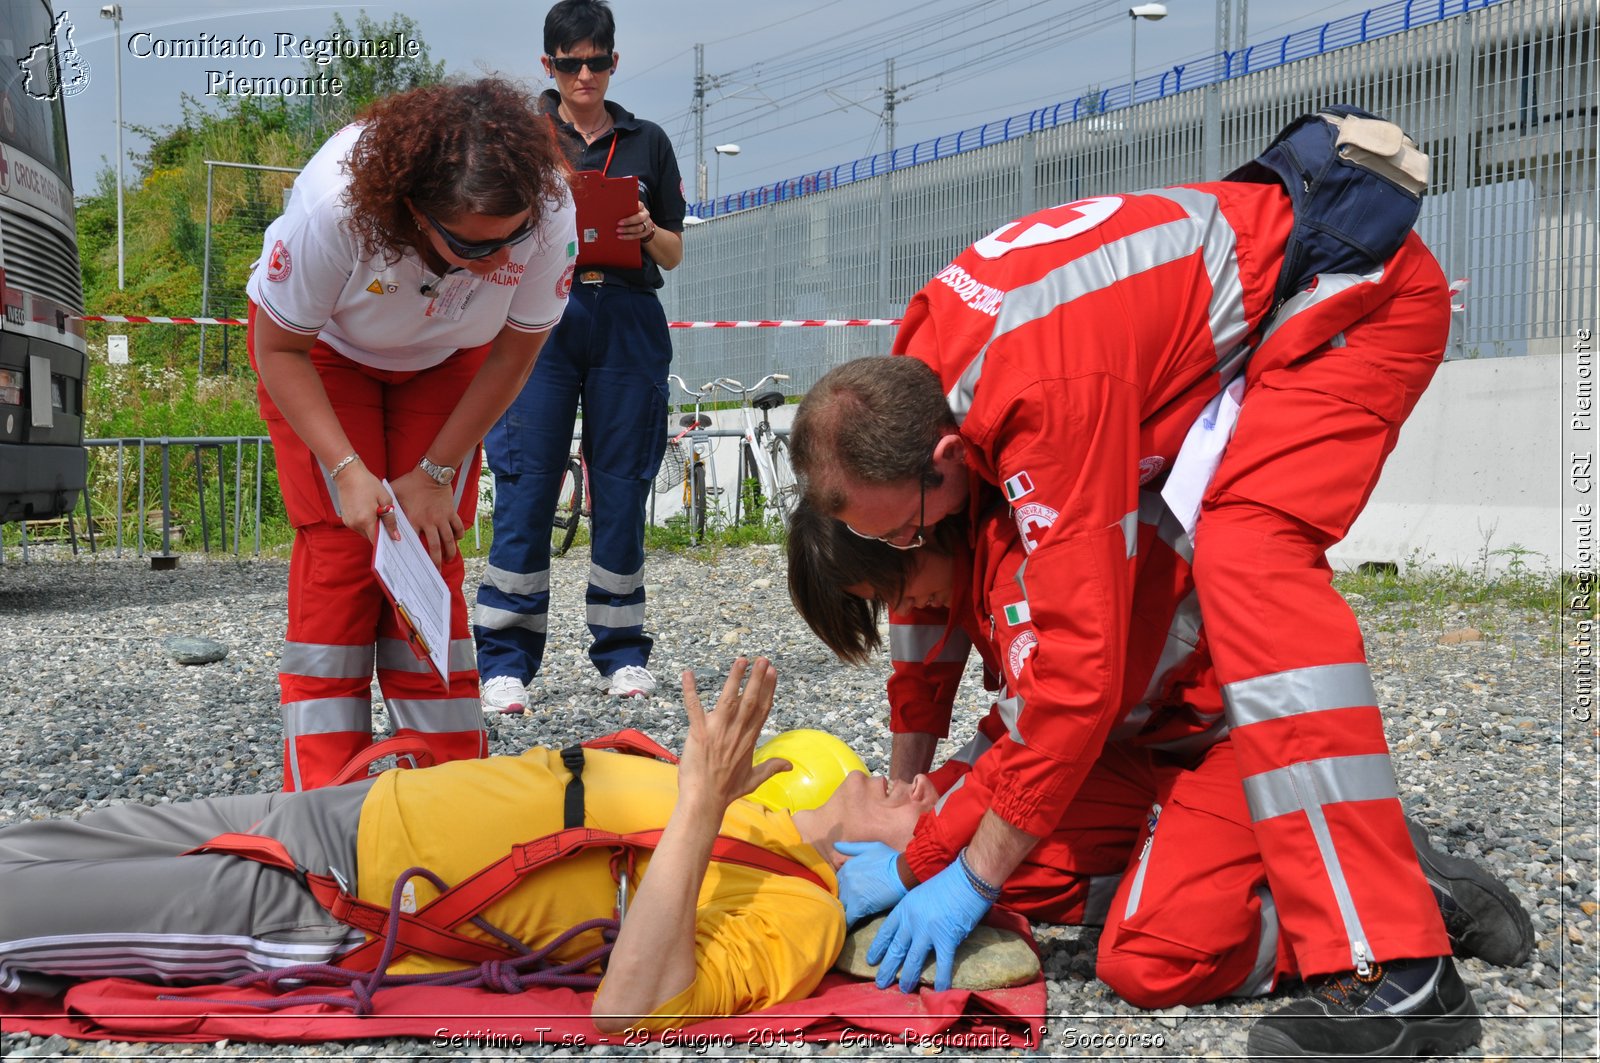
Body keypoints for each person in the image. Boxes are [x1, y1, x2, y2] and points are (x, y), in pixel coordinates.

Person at [787, 174, 1506, 1058]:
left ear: (943, 461)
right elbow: (966, 656)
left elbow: (1078, 684)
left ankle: (1389, 954)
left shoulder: (1038, 405)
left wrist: (941, 863)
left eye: (906, 535)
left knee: (1250, 552)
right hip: (1161, 726)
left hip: (1354, 290)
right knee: (1036, 851)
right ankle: (1326, 855)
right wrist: (918, 806)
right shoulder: (922, 379)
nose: (908, 560)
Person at [785, 498, 1533, 1026]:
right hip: (1140, 741)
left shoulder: (1020, 556)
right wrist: (927, 836)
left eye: (893, 590)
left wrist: (919, 857)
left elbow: (1036, 732)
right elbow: (1004, 729)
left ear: (911, 530)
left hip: (1229, 738)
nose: (904, 606)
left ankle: (1370, 901)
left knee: (1148, 960)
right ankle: (1278, 852)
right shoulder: (955, 547)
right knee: (1007, 856)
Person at [0, 659, 941, 1033]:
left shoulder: (802, 907)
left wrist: (695, 810)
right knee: (25, 847)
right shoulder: (761, 794)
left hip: (335, 902)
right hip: (337, 815)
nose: (917, 782)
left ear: (909, 867)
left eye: (931, 814)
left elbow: (633, 1009)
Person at [246, 79, 577, 791]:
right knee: (343, 547)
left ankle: (451, 788)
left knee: (429, 544)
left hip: (451, 359)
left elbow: (516, 352)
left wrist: (436, 472)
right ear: (411, 209)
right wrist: (344, 469)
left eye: (510, 239)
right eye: (467, 244)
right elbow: (279, 349)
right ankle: (325, 796)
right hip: (325, 355)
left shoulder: (550, 211)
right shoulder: (335, 211)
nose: (494, 264)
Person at [474, 0, 687, 711]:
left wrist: (646, 226)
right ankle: (504, 661)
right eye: (570, 63)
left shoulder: (649, 140)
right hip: (542, 315)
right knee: (527, 483)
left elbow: (675, 252)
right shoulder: (522, 138)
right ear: (550, 66)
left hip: (626, 312)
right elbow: (484, 231)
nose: (584, 74)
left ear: (614, 63)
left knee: (621, 486)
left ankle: (622, 654)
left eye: (597, 61)